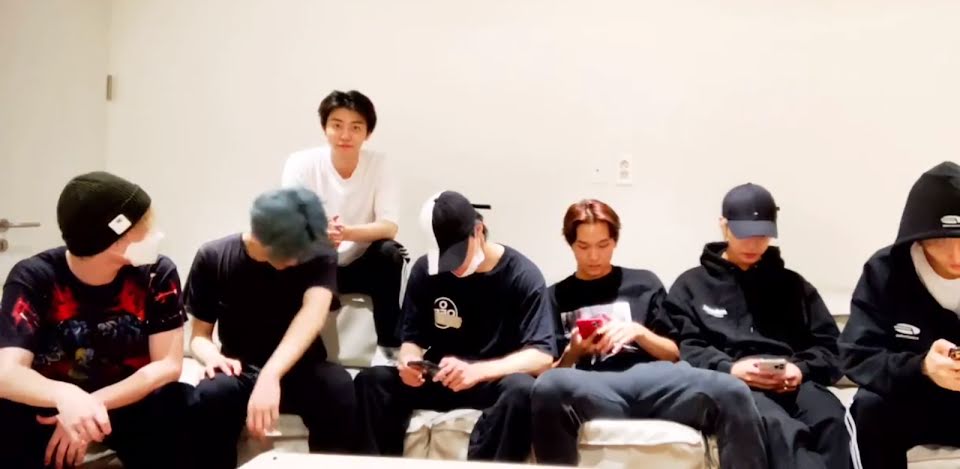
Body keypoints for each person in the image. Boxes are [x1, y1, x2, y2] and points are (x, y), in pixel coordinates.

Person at [531, 199, 768, 468]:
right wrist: (574, 351)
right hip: (596, 385)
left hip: (657, 381)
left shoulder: (644, 282)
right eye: (583, 247)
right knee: (548, 386)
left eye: (603, 245)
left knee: (733, 390)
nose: (594, 256)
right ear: (571, 244)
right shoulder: (555, 296)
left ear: (615, 241)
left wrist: (638, 332)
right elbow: (550, 373)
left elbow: (675, 353)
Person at [0, 172, 193, 469]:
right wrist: (65, 396)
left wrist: (90, 405)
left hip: (128, 400)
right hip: (52, 406)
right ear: (114, 240)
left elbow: (168, 364)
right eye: (146, 225)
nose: (156, 233)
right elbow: (6, 373)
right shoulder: (33, 277)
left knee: (184, 404)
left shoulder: (157, 273)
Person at [354, 191, 555, 461]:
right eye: (446, 258)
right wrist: (409, 363)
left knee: (521, 390)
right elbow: (412, 339)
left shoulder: (521, 275)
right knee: (371, 381)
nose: (455, 267)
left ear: (479, 231)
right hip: (440, 377)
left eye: (459, 255)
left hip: (490, 381)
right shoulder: (426, 271)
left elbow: (542, 356)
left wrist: (477, 371)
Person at [667, 183, 850, 469]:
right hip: (733, 386)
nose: (753, 245)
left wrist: (800, 370)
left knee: (832, 419)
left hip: (793, 382)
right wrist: (730, 369)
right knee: (777, 427)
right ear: (724, 226)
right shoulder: (691, 286)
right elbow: (686, 348)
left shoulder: (792, 285)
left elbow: (832, 348)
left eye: (762, 236)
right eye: (744, 234)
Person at [185, 188, 358, 469]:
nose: (299, 259)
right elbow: (199, 337)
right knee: (210, 395)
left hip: (301, 367)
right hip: (239, 369)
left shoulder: (318, 254)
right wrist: (212, 357)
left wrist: (271, 375)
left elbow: (313, 315)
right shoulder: (213, 256)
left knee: (338, 387)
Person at [841, 162, 960, 469]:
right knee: (869, 407)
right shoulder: (885, 271)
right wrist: (922, 367)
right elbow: (856, 355)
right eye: (940, 240)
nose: (955, 256)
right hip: (912, 401)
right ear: (918, 237)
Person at [282, 90, 406, 356]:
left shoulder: (380, 164)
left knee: (390, 253)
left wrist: (345, 233)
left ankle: (389, 349)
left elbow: (389, 226)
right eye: (337, 125)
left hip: (361, 264)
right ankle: (298, 350)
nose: (345, 135)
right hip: (316, 261)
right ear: (324, 128)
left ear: (367, 133)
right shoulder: (301, 163)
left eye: (355, 127)